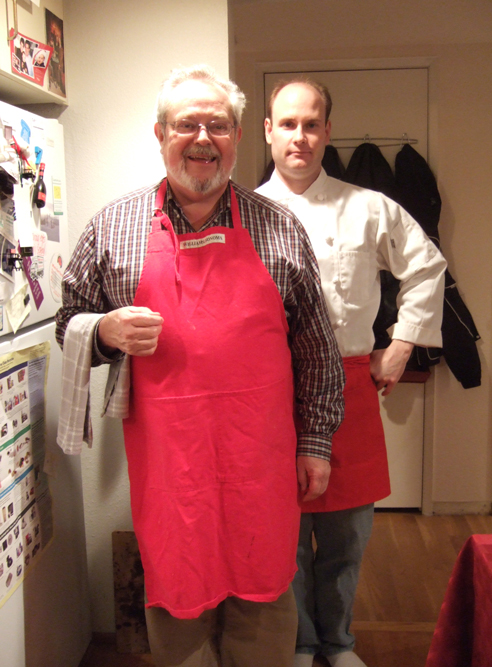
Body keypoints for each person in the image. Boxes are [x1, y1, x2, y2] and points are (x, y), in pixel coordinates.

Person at [55, 65, 345, 667]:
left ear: (239, 136)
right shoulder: (113, 228)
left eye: (218, 124)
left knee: (265, 603)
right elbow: (69, 321)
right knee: (179, 604)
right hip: (171, 467)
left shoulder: (279, 229)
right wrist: (103, 331)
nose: (203, 138)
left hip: (260, 464)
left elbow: (316, 347)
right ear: (160, 133)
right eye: (187, 124)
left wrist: (315, 442)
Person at [256, 79, 447, 667]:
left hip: (350, 385)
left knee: (346, 537)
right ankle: (297, 643)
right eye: (287, 124)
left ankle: (338, 644)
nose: (299, 136)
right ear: (267, 130)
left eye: (311, 124)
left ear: (327, 131)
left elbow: (426, 268)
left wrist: (402, 343)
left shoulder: (370, 206)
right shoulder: (242, 213)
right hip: (270, 391)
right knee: (283, 539)